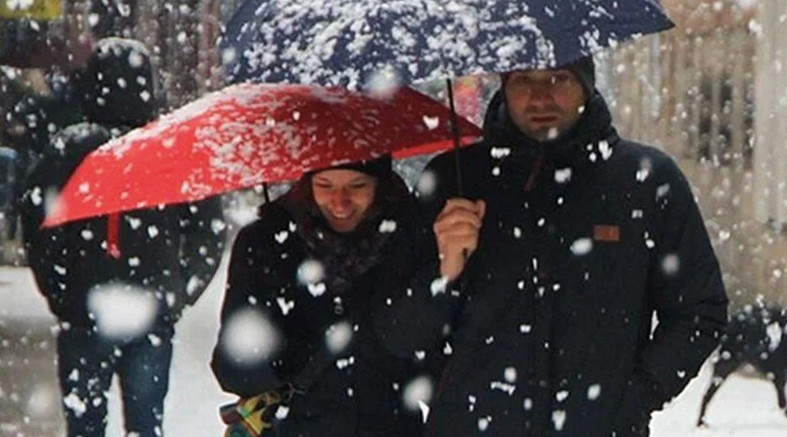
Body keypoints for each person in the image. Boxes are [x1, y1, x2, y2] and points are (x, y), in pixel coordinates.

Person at [374, 56, 729, 436]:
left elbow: (698, 310)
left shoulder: (644, 180)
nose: (540, 97)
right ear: (503, 86)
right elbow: (397, 333)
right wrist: (444, 273)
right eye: (523, 80)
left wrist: (632, 398)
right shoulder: (454, 180)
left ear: (586, 86)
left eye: (559, 78)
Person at [19, 38, 225, 437]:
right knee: (146, 423)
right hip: (148, 311)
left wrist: (61, 289)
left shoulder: (71, 149)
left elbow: (37, 225)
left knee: (84, 424)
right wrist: (178, 291)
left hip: (86, 311)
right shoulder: (170, 150)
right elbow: (207, 232)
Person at [211, 158, 431, 437]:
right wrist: (286, 348)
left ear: (381, 186)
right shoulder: (267, 243)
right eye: (325, 185)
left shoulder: (411, 239)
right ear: (307, 185)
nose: (340, 201)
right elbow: (233, 371)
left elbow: (433, 362)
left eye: (357, 185)